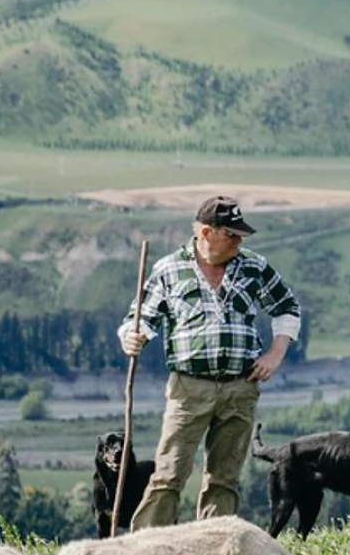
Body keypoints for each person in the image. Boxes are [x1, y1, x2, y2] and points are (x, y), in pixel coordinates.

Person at [118, 195, 301, 530]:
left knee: (224, 477)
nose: (239, 240)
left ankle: (215, 549)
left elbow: (287, 308)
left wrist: (275, 355)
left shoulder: (254, 266)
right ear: (206, 233)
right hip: (189, 389)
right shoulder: (169, 269)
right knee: (169, 473)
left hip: (240, 386)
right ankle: (145, 548)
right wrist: (132, 337)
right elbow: (139, 318)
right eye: (231, 234)